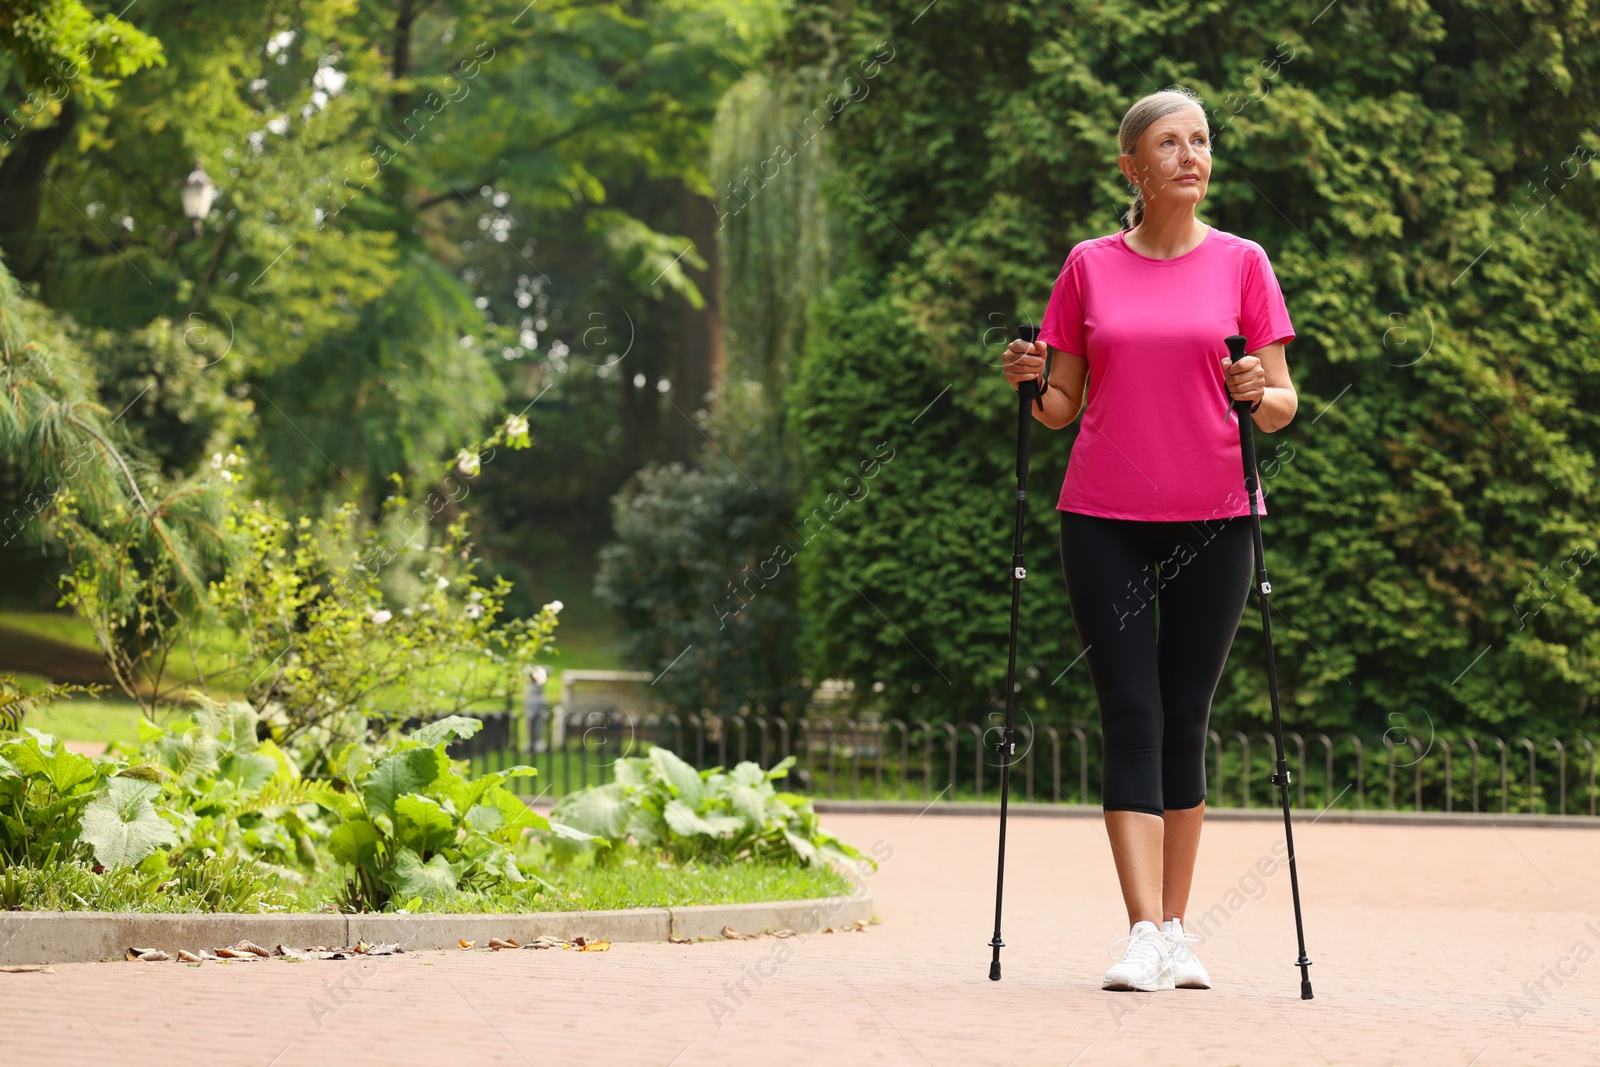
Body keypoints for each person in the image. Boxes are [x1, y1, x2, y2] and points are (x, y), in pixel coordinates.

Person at [1001, 87, 1299, 992]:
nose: (1190, 155)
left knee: (1186, 716)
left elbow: (1282, 405)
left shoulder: (1245, 262)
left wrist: (1256, 386)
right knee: (1131, 713)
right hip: (1102, 518)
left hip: (1218, 515)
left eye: (1200, 140)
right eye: (1168, 143)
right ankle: (1141, 933)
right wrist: (1027, 379)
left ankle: (1178, 930)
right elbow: (1060, 407)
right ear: (1133, 165)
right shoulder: (1088, 266)